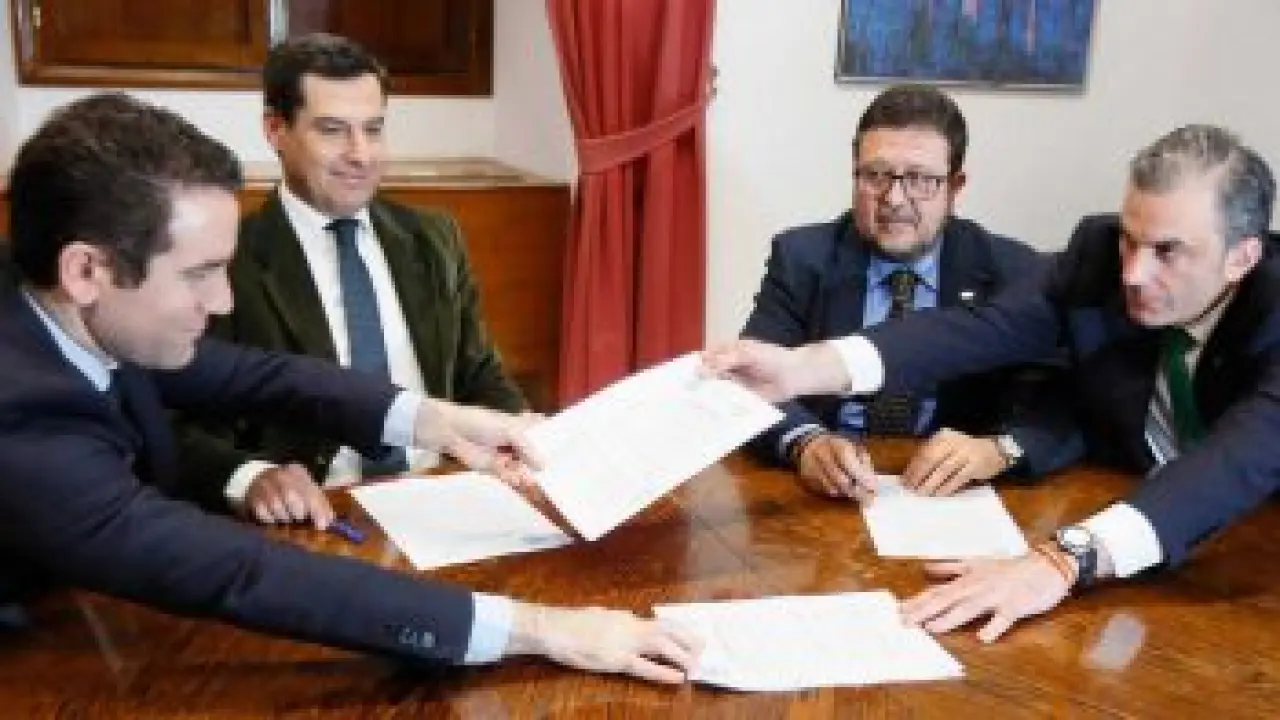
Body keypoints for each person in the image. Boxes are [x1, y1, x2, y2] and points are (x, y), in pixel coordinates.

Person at [0, 92, 699, 683]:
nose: (221, 302)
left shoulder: (63, 303)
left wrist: (437, 420)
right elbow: (240, 573)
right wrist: (542, 627)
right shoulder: (19, 412)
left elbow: (256, 376)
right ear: (86, 271)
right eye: (199, 274)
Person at [705, 124, 1278, 643]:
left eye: (1167, 252)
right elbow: (977, 330)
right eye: (1131, 240)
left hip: (1247, 569)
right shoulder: (1098, 254)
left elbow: (1235, 462)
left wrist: (1062, 561)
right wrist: (803, 368)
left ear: (1242, 257)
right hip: (1132, 555)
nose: (1133, 273)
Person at [178, 33, 526, 528]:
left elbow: (479, 375)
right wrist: (251, 476)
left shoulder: (434, 237)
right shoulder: (227, 259)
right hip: (319, 516)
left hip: (444, 494)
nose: (361, 154)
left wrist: (522, 431)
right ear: (276, 129)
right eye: (333, 130)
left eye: (374, 129)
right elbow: (181, 426)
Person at [741, 84, 1049, 501]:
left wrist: (998, 448)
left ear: (955, 188)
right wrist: (806, 442)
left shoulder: (1009, 269)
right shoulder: (802, 258)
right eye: (876, 175)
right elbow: (751, 382)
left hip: (952, 496)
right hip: (828, 491)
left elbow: (1053, 402)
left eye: (920, 179)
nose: (895, 198)